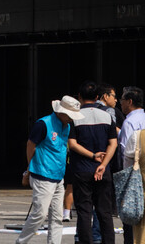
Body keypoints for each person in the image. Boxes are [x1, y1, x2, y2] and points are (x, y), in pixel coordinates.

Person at [15, 95, 85, 244]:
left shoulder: (66, 126)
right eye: (70, 116)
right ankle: (21, 242)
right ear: (61, 112)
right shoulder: (43, 124)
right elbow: (30, 145)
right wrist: (29, 167)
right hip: (42, 174)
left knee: (57, 217)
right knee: (39, 214)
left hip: (58, 176)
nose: (71, 119)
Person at [68, 81, 117, 244]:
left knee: (84, 212)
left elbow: (72, 144)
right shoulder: (107, 116)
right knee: (105, 212)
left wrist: (92, 155)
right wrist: (103, 164)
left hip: (82, 170)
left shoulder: (75, 117)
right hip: (103, 171)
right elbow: (113, 143)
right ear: (97, 97)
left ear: (79, 97)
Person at [118, 86, 145, 244]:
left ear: (129, 101)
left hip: (133, 176)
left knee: (131, 217)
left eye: (122, 100)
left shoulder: (129, 122)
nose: (120, 103)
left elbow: (126, 153)